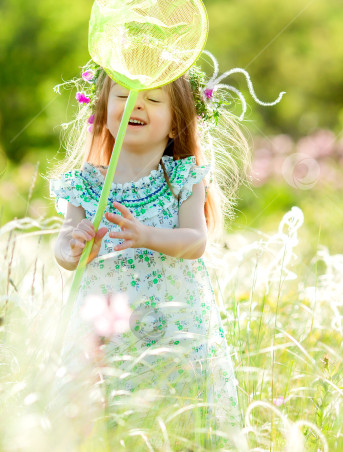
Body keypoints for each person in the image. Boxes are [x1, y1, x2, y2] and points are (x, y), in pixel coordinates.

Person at [46, 51, 284, 450]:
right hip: (106, 327)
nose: (135, 104)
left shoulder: (183, 177)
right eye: (122, 97)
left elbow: (196, 241)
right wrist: (75, 247)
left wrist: (147, 235)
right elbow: (64, 250)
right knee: (106, 414)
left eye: (152, 100)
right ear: (104, 111)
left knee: (175, 417)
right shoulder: (86, 183)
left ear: (175, 123)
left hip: (173, 327)